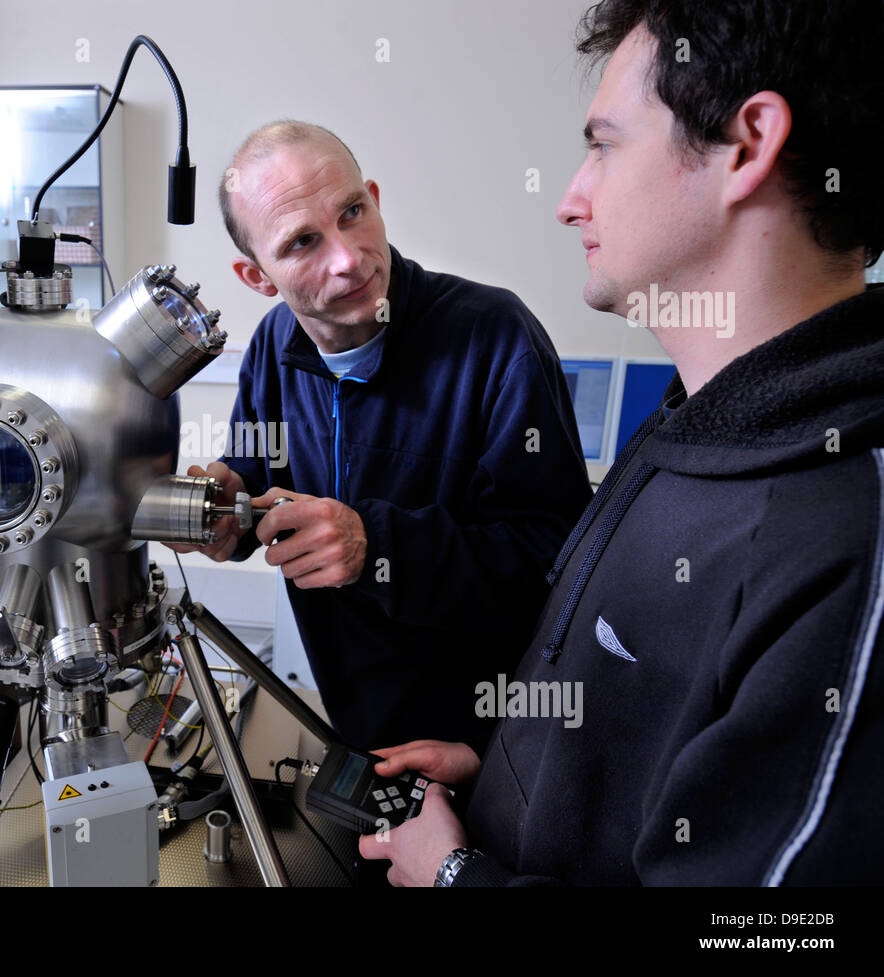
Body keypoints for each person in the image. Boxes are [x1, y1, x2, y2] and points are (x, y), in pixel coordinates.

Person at [361, 0, 884, 885]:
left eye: (604, 144)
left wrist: (458, 878)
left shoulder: (847, 536)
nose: (571, 199)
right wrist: (503, 789)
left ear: (748, 144)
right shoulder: (692, 418)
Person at [170, 121, 593, 753]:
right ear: (258, 276)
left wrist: (375, 545)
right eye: (302, 242)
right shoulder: (272, 346)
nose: (347, 259)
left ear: (373, 196)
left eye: (352, 212)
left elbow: (559, 561)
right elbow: (259, 475)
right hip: (353, 719)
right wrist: (230, 505)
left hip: (490, 742)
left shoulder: (496, 338)